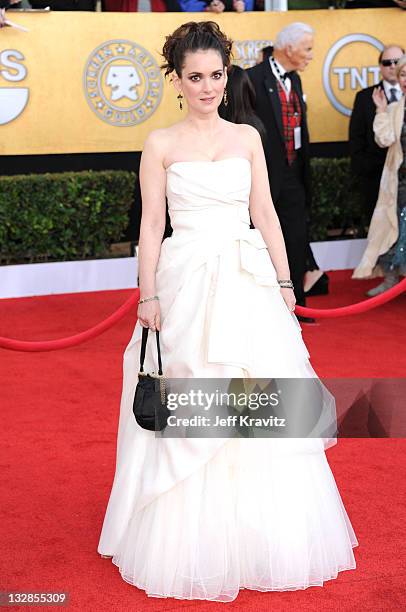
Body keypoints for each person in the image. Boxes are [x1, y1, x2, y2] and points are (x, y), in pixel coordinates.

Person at [97, 21, 358, 602]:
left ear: (226, 74)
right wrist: (147, 295)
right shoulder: (160, 144)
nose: (208, 87)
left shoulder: (247, 138)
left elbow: (265, 213)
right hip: (185, 280)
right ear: (177, 80)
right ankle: (188, 535)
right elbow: (149, 227)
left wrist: (286, 281)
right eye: (196, 77)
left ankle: (256, 533)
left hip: (247, 281)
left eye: (217, 74)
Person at [247, 23, 327, 323]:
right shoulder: (252, 79)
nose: (310, 55)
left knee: (295, 240)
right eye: (307, 48)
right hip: (263, 179)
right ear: (289, 48)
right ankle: (261, 310)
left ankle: (296, 307)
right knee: (260, 244)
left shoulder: (296, 80)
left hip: (294, 176)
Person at [353, 54, 406, 294]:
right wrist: (382, 112)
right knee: (391, 229)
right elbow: (384, 140)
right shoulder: (394, 109)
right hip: (399, 183)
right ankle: (391, 279)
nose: (404, 79)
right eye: (402, 75)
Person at [349, 45, 405, 221]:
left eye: (397, 62)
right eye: (387, 62)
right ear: (380, 66)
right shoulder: (365, 97)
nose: (393, 66)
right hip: (377, 179)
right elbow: (356, 139)